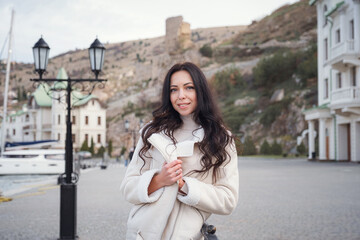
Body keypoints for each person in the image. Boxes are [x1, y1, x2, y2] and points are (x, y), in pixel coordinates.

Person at [120, 62, 239, 240]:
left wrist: (185, 187)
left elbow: (228, 200)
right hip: (143, 234)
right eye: (174, 90)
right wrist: (159, 180)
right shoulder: (151, 132)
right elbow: (128, 187)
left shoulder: (221, 139)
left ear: (201, 90)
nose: (181, 96)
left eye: (189, 88)